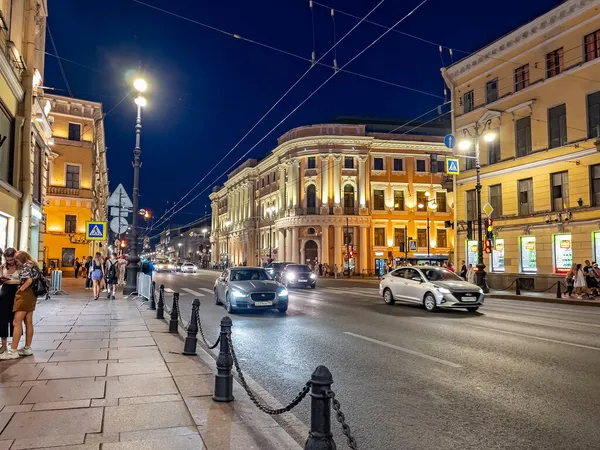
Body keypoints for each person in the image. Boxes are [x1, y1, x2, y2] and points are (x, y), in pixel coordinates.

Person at [1, 251, 39, 359]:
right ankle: (27, 348)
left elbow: (29, 280)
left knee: (16, 322)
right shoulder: (33, 264)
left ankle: (13, 350)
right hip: (32, 295)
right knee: (28, 322)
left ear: (21, 258)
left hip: (25, 295)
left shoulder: (27, 265)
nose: (16, 262)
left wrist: (20, 289)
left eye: (16, 260)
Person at [0, 248, 19, 354]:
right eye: (7, 260)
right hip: (4, 294)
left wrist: (12, 281)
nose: (9, 262)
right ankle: (3, 345)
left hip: (16, 294)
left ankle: (14, 345)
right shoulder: (2, 267)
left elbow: (24, 280)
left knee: (15, 320)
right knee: (2, 319)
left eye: (11, 260)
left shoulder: (20, 267)